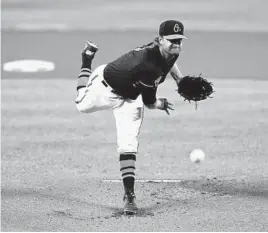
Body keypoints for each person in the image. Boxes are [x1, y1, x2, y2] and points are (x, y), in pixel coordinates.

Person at [75, 20, 187, 215]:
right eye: (172, 40)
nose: (176, 44)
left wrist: (181, 80)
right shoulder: (148, 66)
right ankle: (86, 59)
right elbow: (151, 103)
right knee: (81, 105)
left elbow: (171, 62)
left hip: (131, 97)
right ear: (160, 40)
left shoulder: (168, 51)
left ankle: (129, 196)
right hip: (105, 87)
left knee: (128, 144)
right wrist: (161, 104)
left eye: (179, 40)